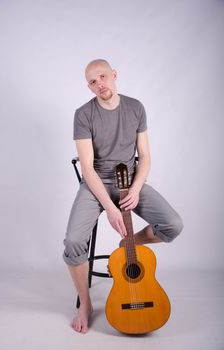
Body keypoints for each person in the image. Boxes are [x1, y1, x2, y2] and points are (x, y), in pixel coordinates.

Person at [63, 59, 183, 333]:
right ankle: (85, 304)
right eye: (92, 82)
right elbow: (88, 170)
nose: (99, 84)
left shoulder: (135, 107)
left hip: (130, 182)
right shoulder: (83, 114)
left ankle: (128, 245)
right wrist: (111, 208)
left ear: (114, 75)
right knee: (73, 241)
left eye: (103, 76)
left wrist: (137, 188)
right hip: (97, 185)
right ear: (88, 86)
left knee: (173, 224)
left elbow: (146, 156)